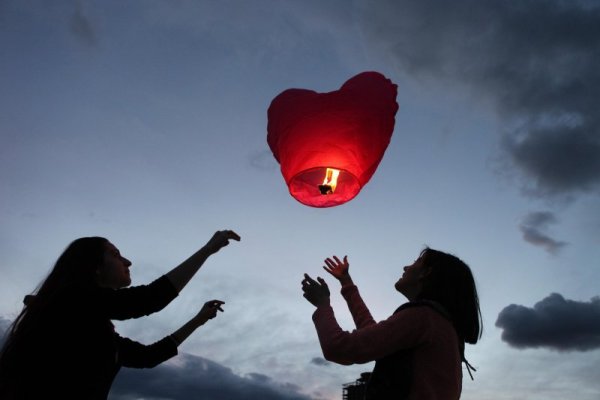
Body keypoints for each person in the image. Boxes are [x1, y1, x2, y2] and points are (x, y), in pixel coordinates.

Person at [0, 229, 240, 399]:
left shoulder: (94, 330)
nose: (127, 261)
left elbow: (147, 356)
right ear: (93, 267)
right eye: (116, 254)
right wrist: (208, 250)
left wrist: (198, 321)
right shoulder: (69, 303)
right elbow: (150, 298)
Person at [301, 248, 482, 400]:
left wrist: (323, 304)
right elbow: (372, 334)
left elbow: (339, 347)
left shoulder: (423, 317)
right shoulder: (442, 326)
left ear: (427, 273)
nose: (406, 266)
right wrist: (346, 282)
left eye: (416, 262)